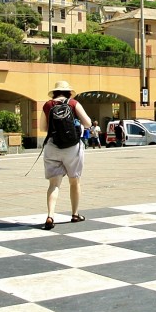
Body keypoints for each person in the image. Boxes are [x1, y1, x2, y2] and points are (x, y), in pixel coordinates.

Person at [41, 81, 92, 230]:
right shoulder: (73, 103)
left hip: (52, 146)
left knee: (54, 184)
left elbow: (43, 128)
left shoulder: (47, 105)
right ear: (69, 92)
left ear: (55, 92)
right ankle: (75, 214)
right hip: (72, 147)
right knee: (74, 181)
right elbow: (88, 123)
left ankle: (50, 215)